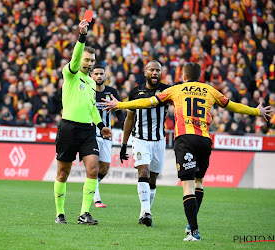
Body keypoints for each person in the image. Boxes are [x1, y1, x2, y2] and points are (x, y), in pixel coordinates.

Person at [101, 62, 272, 240]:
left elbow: (148, 102)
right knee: (199, 183)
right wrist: (255, 111)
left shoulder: (177, 90)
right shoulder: (210, 90)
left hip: (185, 139)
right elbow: (233, 106)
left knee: (188, 186)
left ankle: (194, 232)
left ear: (183, 76)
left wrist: (119, 105)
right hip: (205, 140)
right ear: (200, 77)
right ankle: (186, 223)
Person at [54, 19, 112, 225]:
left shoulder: (90, 82)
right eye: (86, 60)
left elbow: (90, 108)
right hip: (68, 128)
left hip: (88, 130)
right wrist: (82, 36)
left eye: (92, 60)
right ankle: (60, 213)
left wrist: (101, 126)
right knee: (63, 173)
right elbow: (76, 56)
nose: (89, 63)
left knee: (93, 170)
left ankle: (84, 213)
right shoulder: (70, 74)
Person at [120, 60, 170, 227]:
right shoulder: (136, 92)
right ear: (145, 72)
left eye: (157, 70)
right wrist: (123, 144)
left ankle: (143, 213)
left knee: (153, 179)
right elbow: (129, 119)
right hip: (140, 139)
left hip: (159, 140)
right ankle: (147, 212)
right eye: (151, 70)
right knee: (143, 171)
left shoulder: (167, 91)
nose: (155, 73)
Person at [90, 65, 124, 208]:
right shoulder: (88, 91)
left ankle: (92, 186)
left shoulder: (111, 92)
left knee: (104, 169)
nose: (99, 76)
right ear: (91, 75)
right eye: (96, 73)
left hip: (106, 137)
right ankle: (96, 198)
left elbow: (119, 112)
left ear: (105, 76)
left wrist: (123, 126)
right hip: (90, 135)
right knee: (93, 168)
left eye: (101, 73)